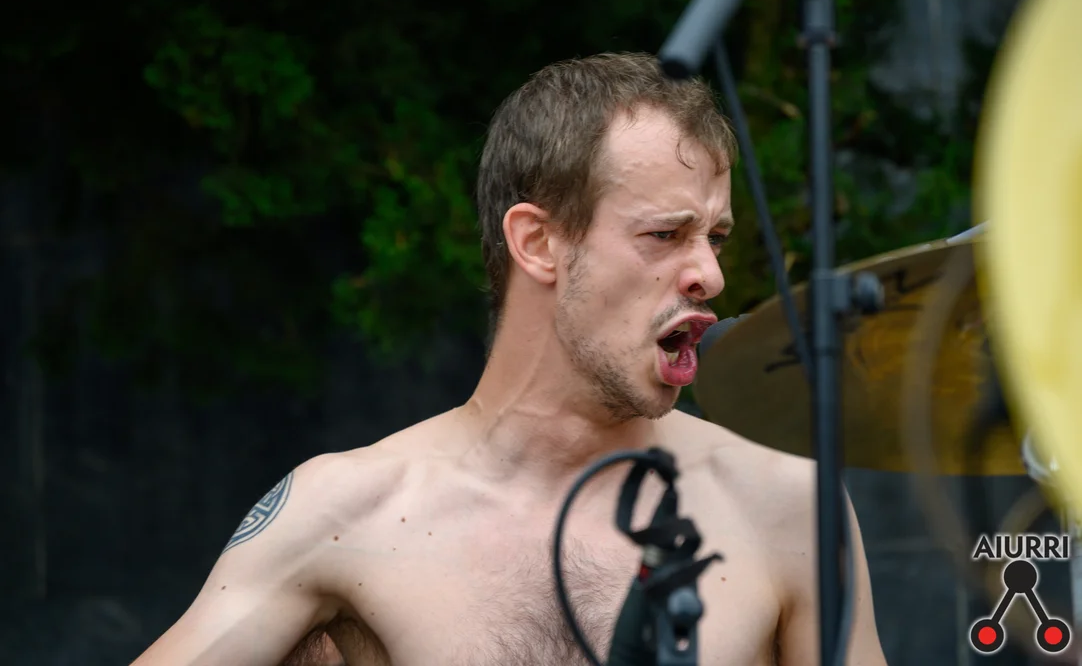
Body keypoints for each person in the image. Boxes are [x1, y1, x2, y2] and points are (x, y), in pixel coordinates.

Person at [130, 52, 888, 666]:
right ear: (538, 242)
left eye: (714, 237)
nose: (710, 276)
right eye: (665, 235)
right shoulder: (346, 513)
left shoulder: (788, 508)